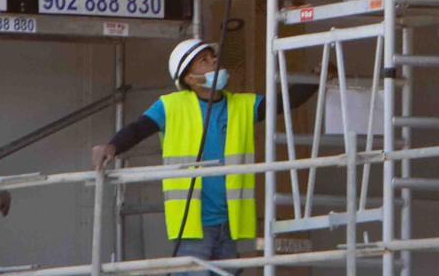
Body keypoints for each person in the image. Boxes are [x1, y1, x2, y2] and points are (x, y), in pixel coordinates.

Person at [91, 39, 317, 261]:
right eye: (204, 60)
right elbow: (138, 129)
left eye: (213, 57)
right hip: (193, 225)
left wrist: (318, 75)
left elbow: (284, 102)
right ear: (190, 78)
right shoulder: (171, 106)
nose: (215, 61)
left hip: (230, 223)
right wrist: (112, 146)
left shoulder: (242, 105)